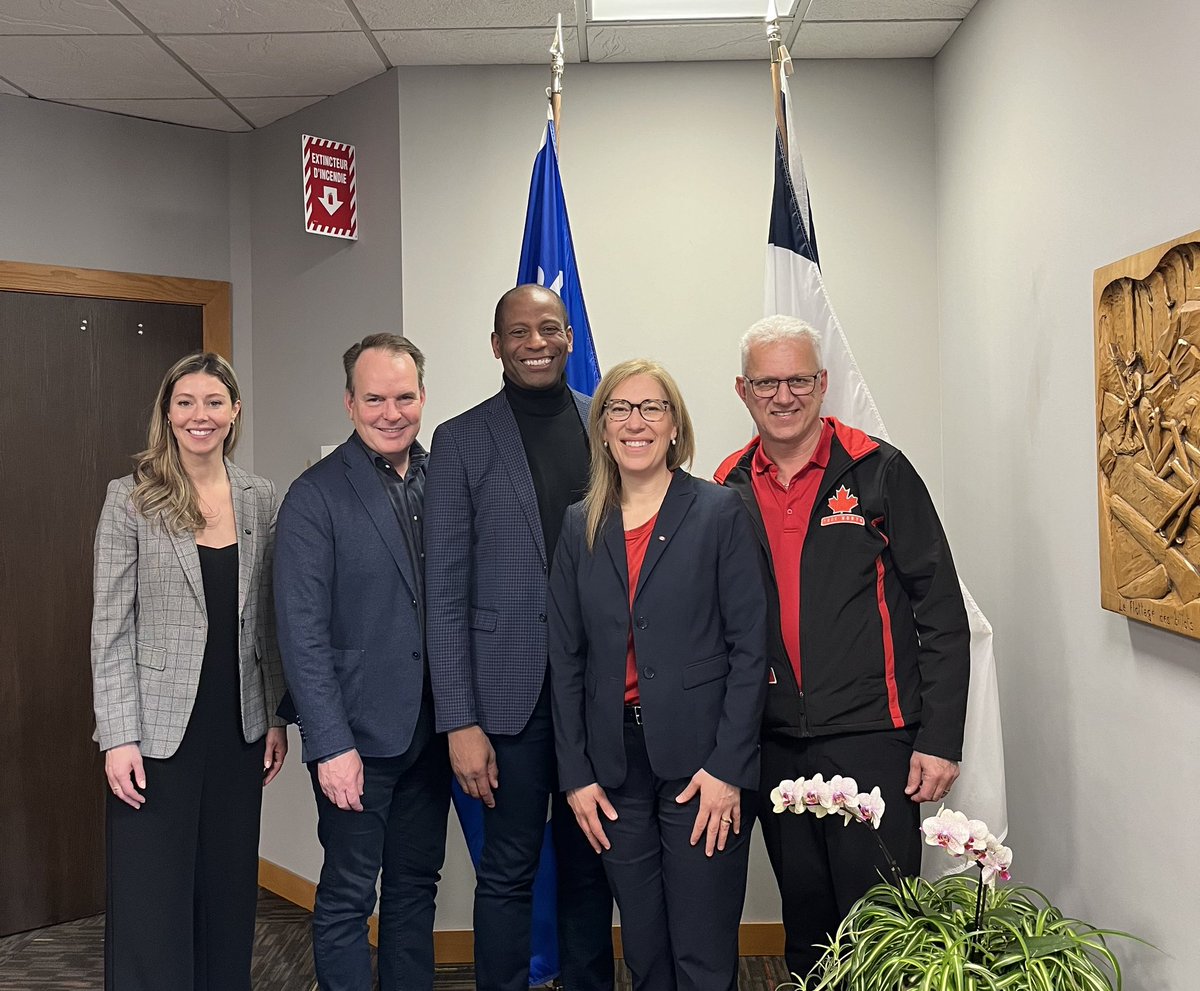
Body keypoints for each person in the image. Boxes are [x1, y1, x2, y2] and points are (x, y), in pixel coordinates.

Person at [714, 315, 971, 978]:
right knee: (808, 927)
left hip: (873, 738)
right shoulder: (726, 486)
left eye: (799, 380)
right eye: (766, 383)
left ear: (823, 382)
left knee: (881, 928)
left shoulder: (880, 470)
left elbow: (941, 610)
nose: (784, 396)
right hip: (775, 742)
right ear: (743, 390)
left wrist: (939, 738)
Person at [548, 359, 768, 991]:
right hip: (614, 768)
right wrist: (576, 775)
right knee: (645, 952)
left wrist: (729, 768)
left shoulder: (719, 512)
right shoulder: (580, 523)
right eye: (619, 409)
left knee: (701, 951)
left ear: (675, 425)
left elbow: (750, 649)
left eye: (651, 408)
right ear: (602, 428)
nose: (635, 422)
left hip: (702, 763)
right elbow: (565, 658)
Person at [424, 284, 615, 991]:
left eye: (549, 328)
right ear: (497, 344)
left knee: (591, 865)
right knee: (508, 871)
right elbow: (444, 594)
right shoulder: (460, 440)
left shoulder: (608, 426)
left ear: (570, 337)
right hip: (506, 704)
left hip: (595, 695)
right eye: (519, 331)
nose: (536, 342)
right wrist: (460, 720)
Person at [90, 351, 288, 991]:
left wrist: (275, 715)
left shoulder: (260, 497)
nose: (199, 415)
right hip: (155, 734)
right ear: (167, 413)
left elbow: (265, 620)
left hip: (239, 730)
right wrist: (118, 736)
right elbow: (110, 628)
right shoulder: (131, 499)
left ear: (234, 412)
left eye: (213, 402)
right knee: (152, 895)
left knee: (227, 890)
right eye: (185, 402)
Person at [274, 334, 450, 991]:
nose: (391, 412)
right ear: (349, 404)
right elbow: (301, 633)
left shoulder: (445, 481)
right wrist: (330, 744)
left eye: (404, 397)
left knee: (415, 886)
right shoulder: (314, 495)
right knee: (350, 894)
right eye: (374, 399)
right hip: (356, 738)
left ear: (423, 397)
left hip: (435, 731)